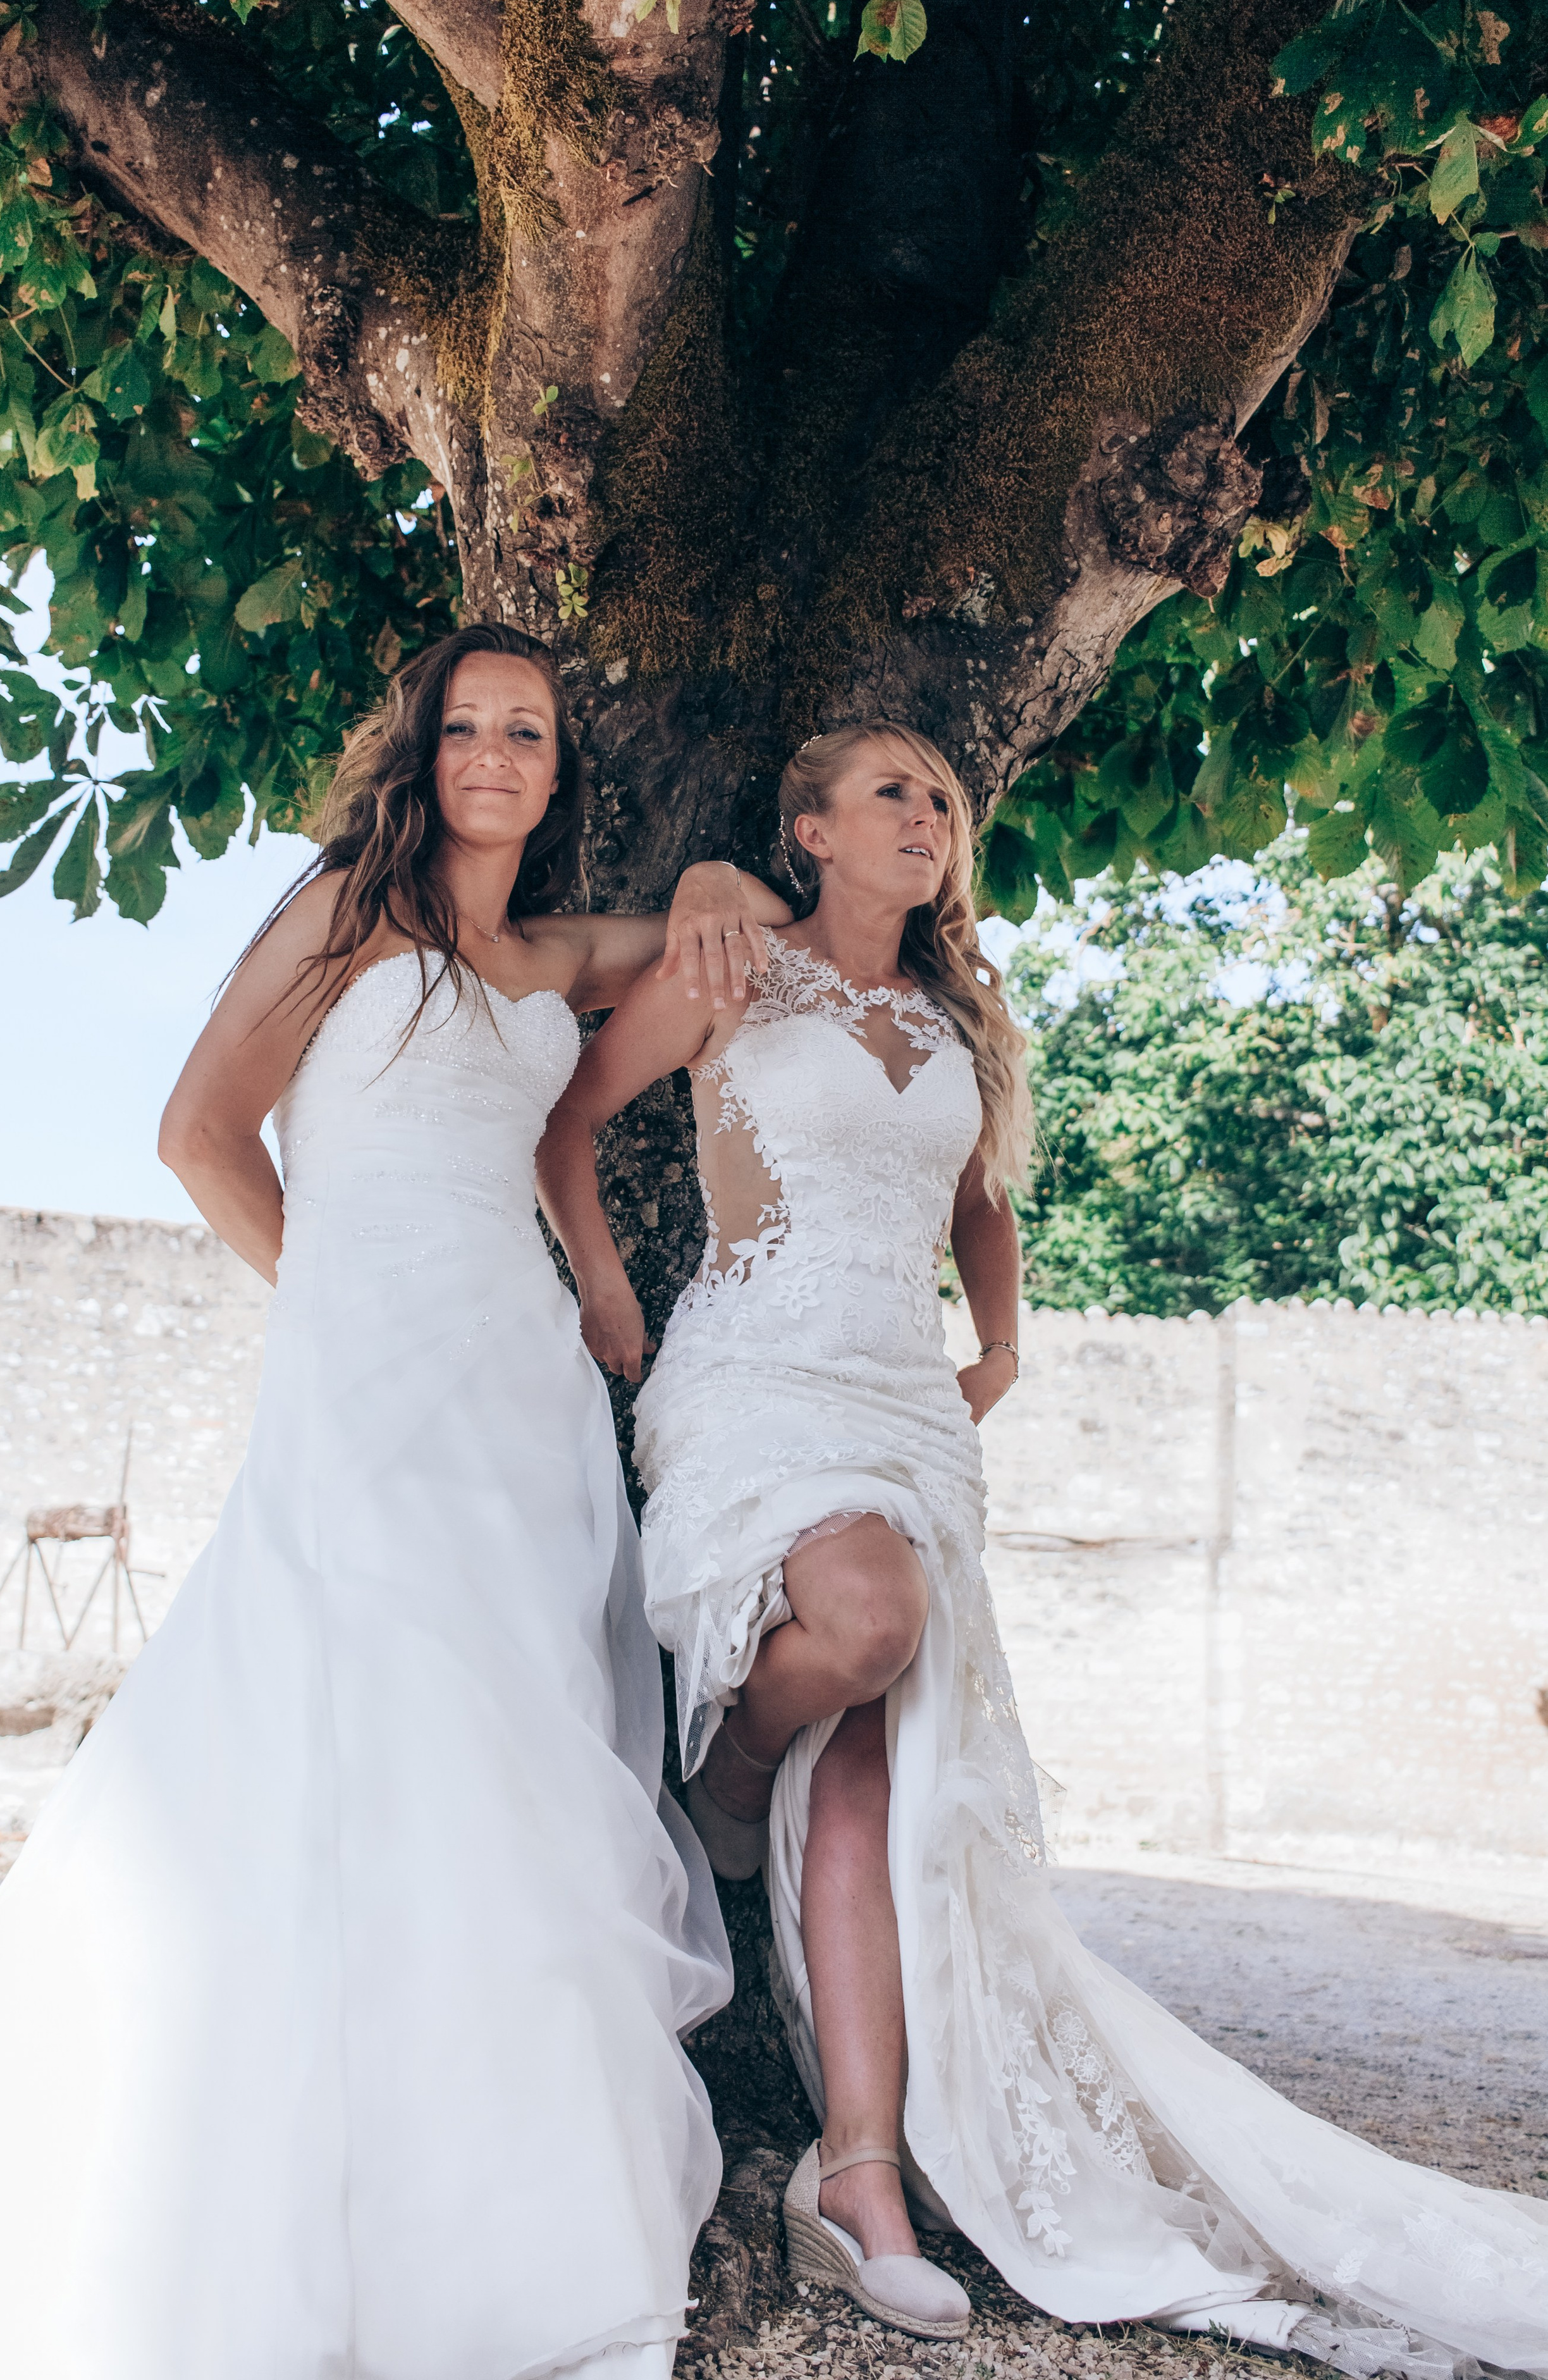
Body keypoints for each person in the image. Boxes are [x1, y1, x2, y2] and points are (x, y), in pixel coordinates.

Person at [536, 719, 1548, 2375]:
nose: (929, 815)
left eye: (942, 798)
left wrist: (1000, 1345)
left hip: (906, 1405)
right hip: (754, 1380)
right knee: (867, 1621)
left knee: (881, 1766)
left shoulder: (954, 1021)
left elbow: (975, 1198)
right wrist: (604, 1287)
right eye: (893, 791)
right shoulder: (737, 966)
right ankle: (725, 1784)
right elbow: (568, 1117)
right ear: (811, 829)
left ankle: (858, 2177)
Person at [0, 622, 795, 2380]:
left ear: (558, 769)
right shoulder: (345, 910)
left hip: (525, 1391)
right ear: (424, 747)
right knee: (357, 1714)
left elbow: (754, 922)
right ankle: (302, 2177)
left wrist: (713, 877)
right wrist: (333, 1303)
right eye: (468, 725)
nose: (495, 756)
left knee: (518, 1735)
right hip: (370, 1370)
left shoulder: (552, 954)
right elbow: (197, 1131)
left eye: (529, 732)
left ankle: (488, 2164)